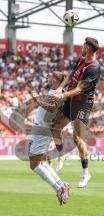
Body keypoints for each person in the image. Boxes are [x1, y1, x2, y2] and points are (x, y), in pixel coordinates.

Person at [49, 37, 100, 188]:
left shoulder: (94, 68)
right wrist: (60, 88)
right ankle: (62, 154)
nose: (82, 47)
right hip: (72, 99)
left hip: (83, 103)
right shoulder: (82, 60)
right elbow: (71, 76)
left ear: (88, 48)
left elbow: (79, 89)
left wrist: (62, 95)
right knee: (55, 128)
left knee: (77, 138)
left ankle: (86, 172)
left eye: (84, 45)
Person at [29, 71, 70, 206]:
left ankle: (59, 188)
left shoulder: (55, 94)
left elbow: (51, 108)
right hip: (41, 128)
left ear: (54, 80)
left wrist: (36, 98)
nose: (48, 77)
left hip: (42, 129)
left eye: (50, 76)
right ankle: (61, 185)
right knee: (41, 162)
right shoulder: (54, 91)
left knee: (34, 165)